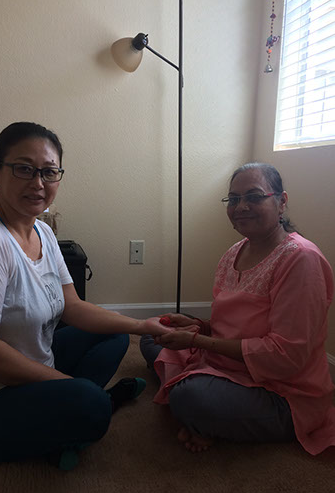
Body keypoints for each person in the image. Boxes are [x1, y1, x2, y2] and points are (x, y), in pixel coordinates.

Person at [0, 121, 172, 470]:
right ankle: (87, 409)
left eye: (49, 172)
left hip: (27, 368)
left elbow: (72, 306)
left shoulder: (41, 231)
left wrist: (142, 325)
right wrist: (67, 385)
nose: (38, 183)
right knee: (91, 404)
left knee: (115, 333)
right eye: (24, 169)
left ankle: (66, 418)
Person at [141, 162, 335, 456]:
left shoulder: (301, 260)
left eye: (254, 196)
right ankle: (201, 412)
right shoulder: (235, 251)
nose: (241, 207)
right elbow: (230, 325)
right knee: (152, 333)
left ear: (281, 201)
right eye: (233, 199)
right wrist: (199, 326)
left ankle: (197, 410)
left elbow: (286, 357)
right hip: (223, 362)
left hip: (280, 390)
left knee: (191, 397)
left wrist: (195, 340)